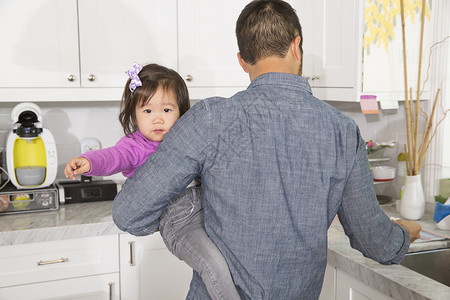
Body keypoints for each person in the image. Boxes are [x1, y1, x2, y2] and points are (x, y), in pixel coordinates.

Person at [112, 1, 422, 299]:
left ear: (242, 60)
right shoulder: (342, 131)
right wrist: (404, 233)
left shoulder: (210, 119)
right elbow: (375, 241)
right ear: (296, 47)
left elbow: (129, 213)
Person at [64, 63, 240, 300]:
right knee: (214, 267)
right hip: (180, 223)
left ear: (181, 111)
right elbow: (114, 157)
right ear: (134, 114)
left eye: (167, 111)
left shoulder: (188, 138)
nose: (157, 119)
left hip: (208, 210)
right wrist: (89, 161)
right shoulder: (134, 146)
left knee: (234, 261)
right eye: (148, 111)